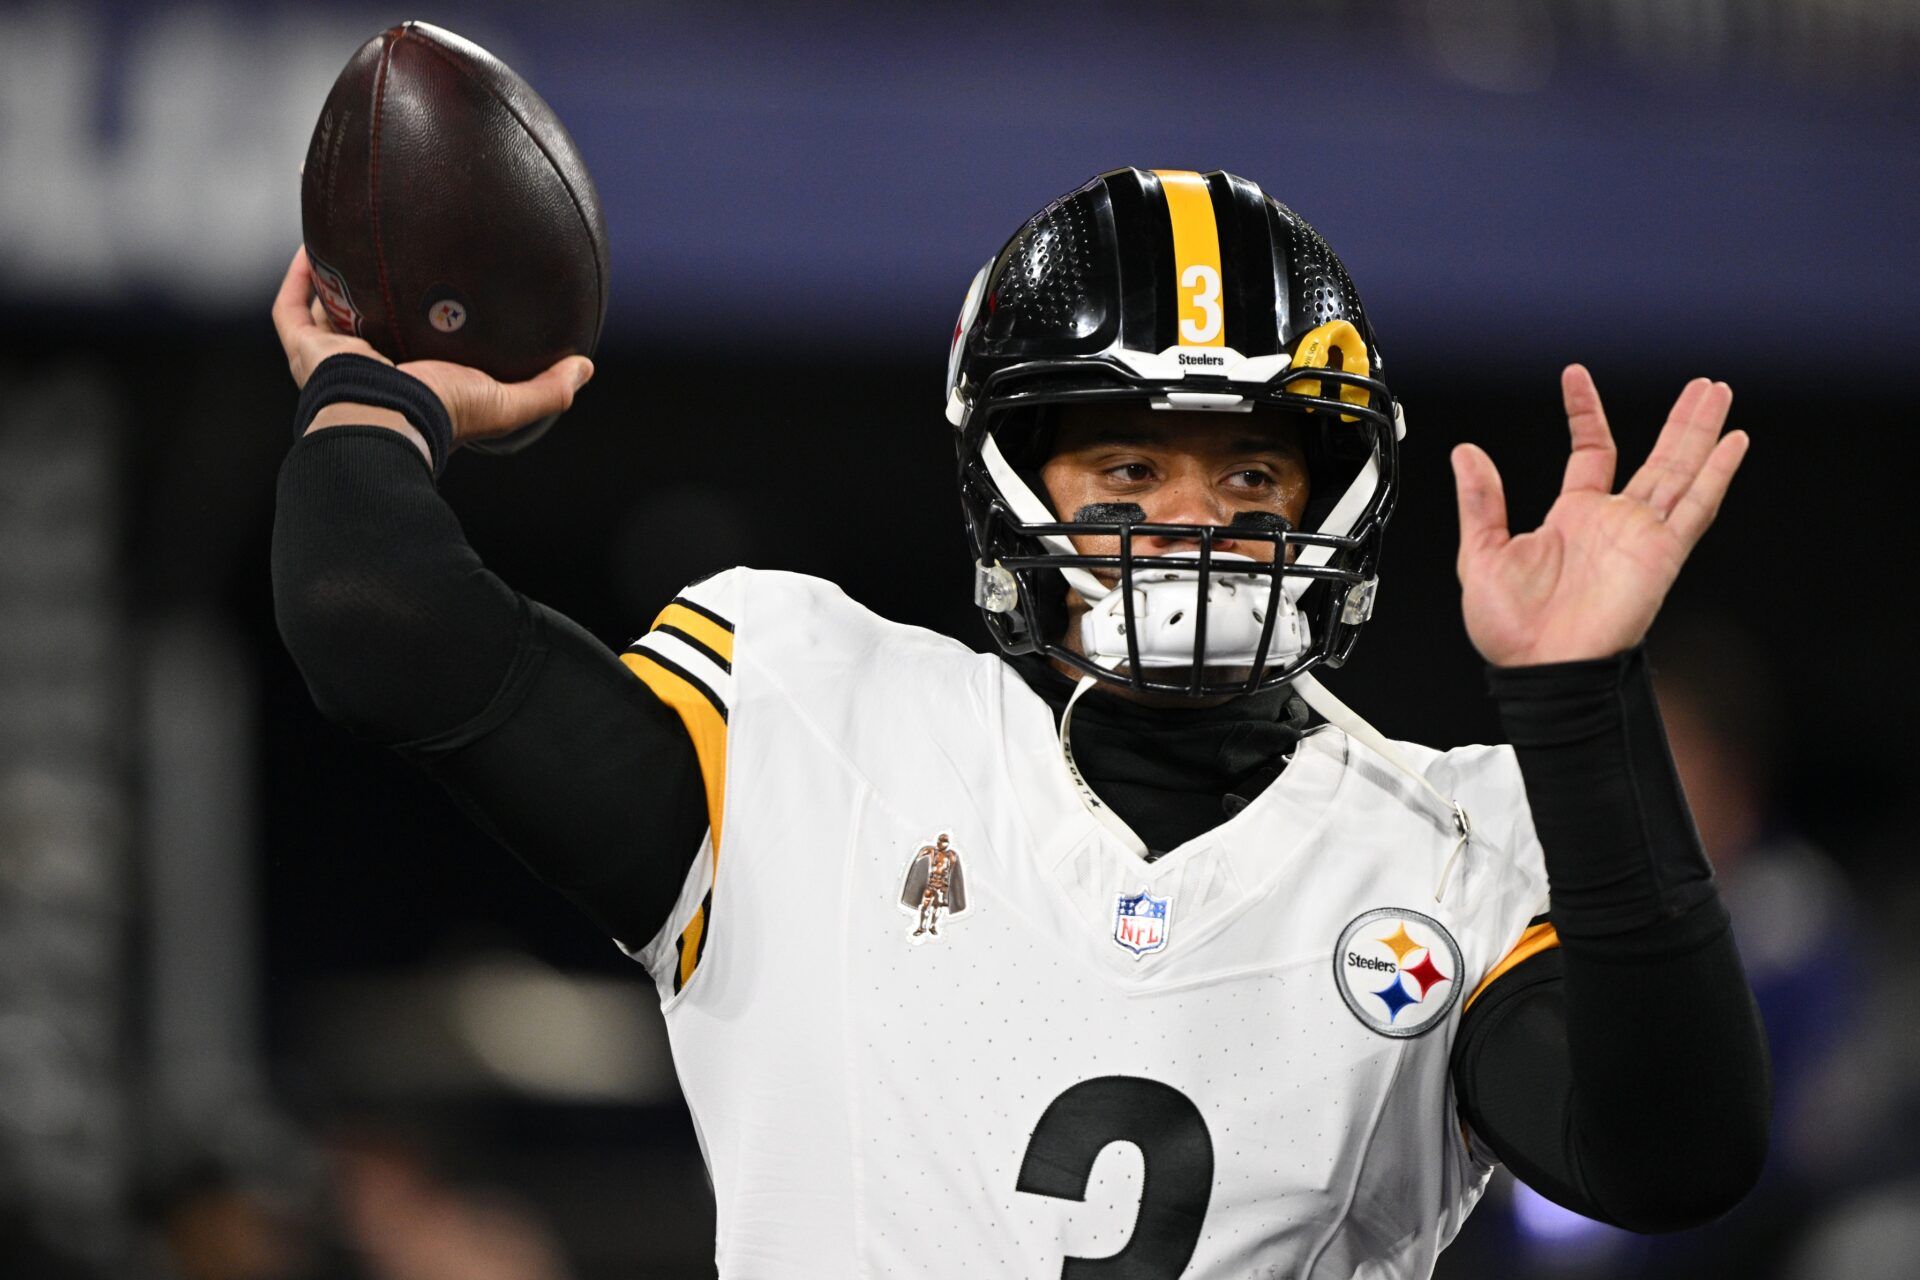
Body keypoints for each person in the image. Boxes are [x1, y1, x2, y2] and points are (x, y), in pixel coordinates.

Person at [270, 168, 1769, 1278]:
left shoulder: (1441, 844)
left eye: (1251, 480)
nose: (1192, 524)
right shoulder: (816, 718)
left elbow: (1676, 1160)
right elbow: (377, 623)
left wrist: (1584, 704)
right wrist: (375, 402)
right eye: (1127, 472)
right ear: (1016, 489)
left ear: (1330, 503)